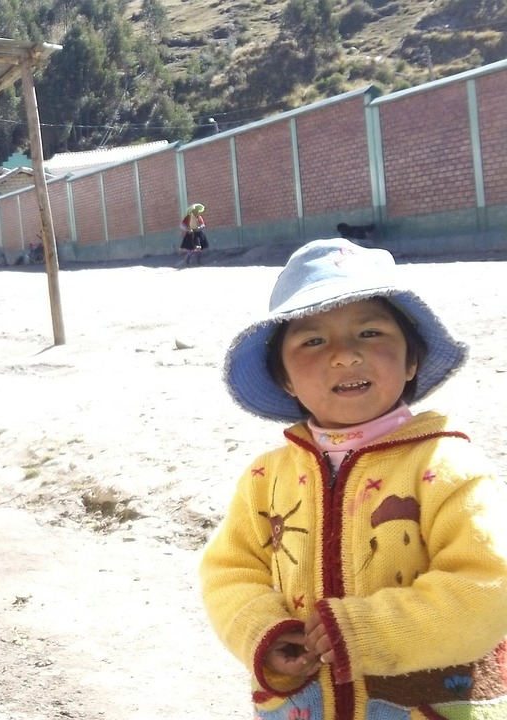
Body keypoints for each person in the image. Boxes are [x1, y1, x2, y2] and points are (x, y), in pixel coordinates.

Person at [200, 238, 507, 718]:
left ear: (411, 362)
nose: (344, 356)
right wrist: (265, 632)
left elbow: (488, 586)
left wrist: (367, 631)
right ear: (284, 377)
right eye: (313, 340)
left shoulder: (447, 466)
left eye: (370, 333)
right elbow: (229, 572)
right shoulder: (265, 477)